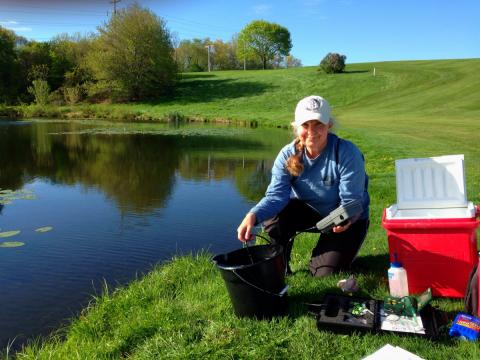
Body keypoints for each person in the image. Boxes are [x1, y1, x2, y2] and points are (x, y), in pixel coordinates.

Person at [237, 95, 370, 277]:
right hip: (310, 213)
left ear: (329, 125)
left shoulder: (347, 153)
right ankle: (280, 265)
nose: (311, 132)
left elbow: (353, 202)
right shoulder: (287, 154)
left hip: (346, 221)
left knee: (322, 274)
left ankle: (334, 252)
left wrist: (347, 219)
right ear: (295, 127)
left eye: (318, 125)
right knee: (273, 216)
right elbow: (276, 197)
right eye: (305, 125)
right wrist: (252, 215)